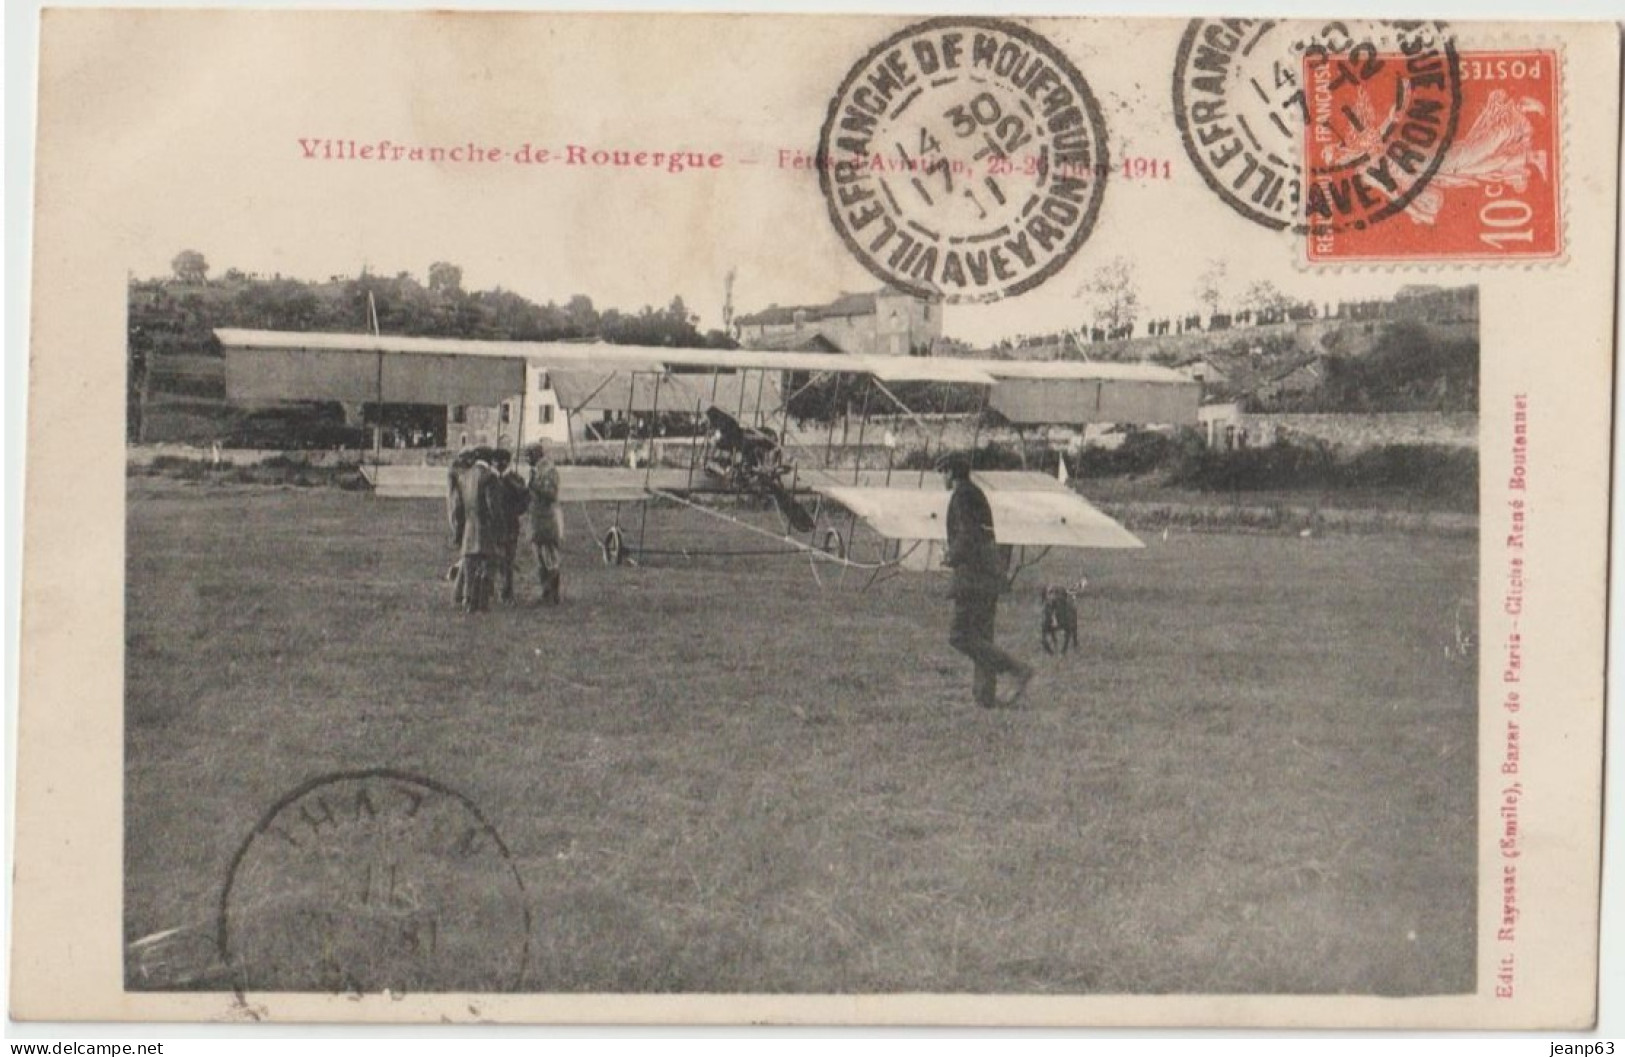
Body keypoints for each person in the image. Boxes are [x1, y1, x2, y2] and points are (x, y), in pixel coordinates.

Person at [941, 453, 1032, 708]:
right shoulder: (976, 493)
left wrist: (951, 556)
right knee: (981, 635)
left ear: (950, 472)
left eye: (943, 472)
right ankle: (984, 697)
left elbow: (968, 534)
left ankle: (1016, 669)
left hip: (973, 577)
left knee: (960, 636)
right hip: (988, 575)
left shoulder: (961, 497)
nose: (943, 478)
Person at [447, 447, 503, 613]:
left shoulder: (465, 475)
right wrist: (499, 527)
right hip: (485, 527)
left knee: (470, 567)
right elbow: (493, 505)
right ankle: (481, 603)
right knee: (486, 566)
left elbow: (458, 505)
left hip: (470, 527)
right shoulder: (489, 477)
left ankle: (468, 599)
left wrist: (459, 528)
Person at [525, 442, 565, 605]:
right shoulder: (535, 471)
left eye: (529, 455)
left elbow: (552, 494)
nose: (527, 459)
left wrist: (534, 486)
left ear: (536, 454)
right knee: (540, 560)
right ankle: (545, 591)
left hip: (547, 520)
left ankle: (553, 594)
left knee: (550, 559)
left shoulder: (549, 471)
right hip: (536, 519)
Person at [489, 449, 528, 604]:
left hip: (510, 525)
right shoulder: (490, 479)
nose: (498, 466)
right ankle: (491, 591)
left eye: (501, 463)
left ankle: (507, 593)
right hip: (494, 526)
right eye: (496, 463)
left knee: (508, 560)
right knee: (493, 559)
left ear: (507, 463)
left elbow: (525, 501)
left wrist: (516, 511)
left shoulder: (515, 480)